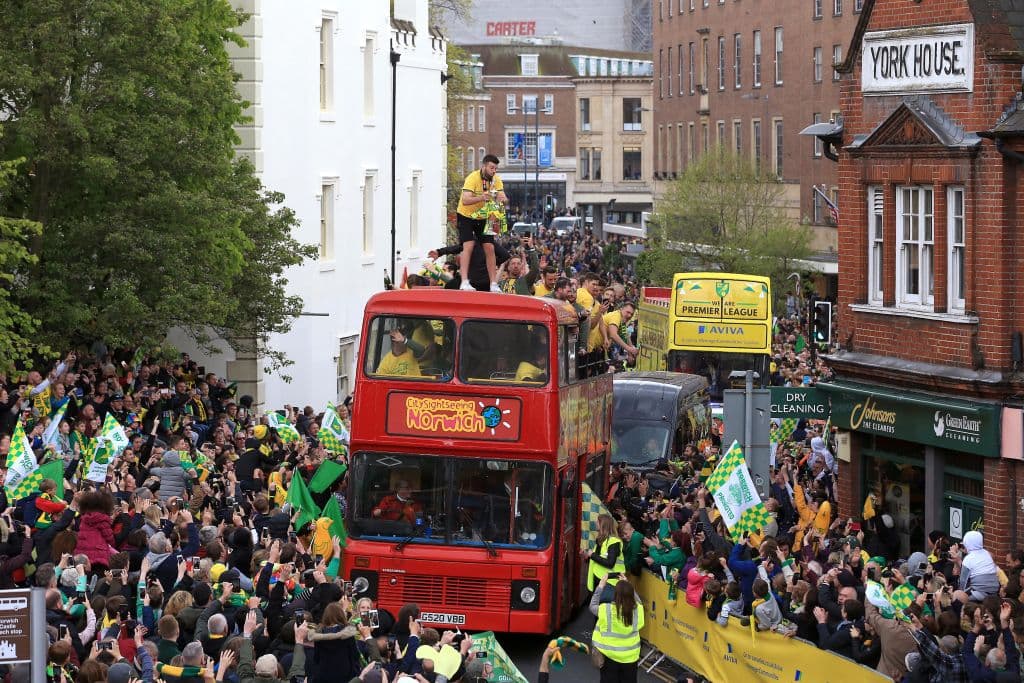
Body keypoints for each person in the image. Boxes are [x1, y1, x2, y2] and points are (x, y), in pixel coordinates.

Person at [455, 154, 507, 292]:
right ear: (484, 166)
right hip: (466, 215)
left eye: (495, 168)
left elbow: (502, 198)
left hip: (484, 216)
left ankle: (493, 284)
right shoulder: (473, 178)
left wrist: (502, 198)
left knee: (489, 247)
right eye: (491, 168)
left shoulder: (496, 180)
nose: (494, 171)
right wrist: (481, 197)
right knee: (469, 245)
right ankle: (464, 281)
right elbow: (465, 200)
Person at [590, 576, 644, 683]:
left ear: (615, 595)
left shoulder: (606, 609)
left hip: (609, 657)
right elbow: (639, 602)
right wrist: (628, 584)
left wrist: (601, 586)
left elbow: (593, 605)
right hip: (630, 658)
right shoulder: (638, 611)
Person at [585, 514, 626, 601]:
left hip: (610, 583)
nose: (596, 523)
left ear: (603, 524)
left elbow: (610, 563)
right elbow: (598, 559)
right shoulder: (601, 541)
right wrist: (588, 556)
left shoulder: (614, 542)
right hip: (601, 582)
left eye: (598, 522)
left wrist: (592, 555)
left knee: (604, 612)